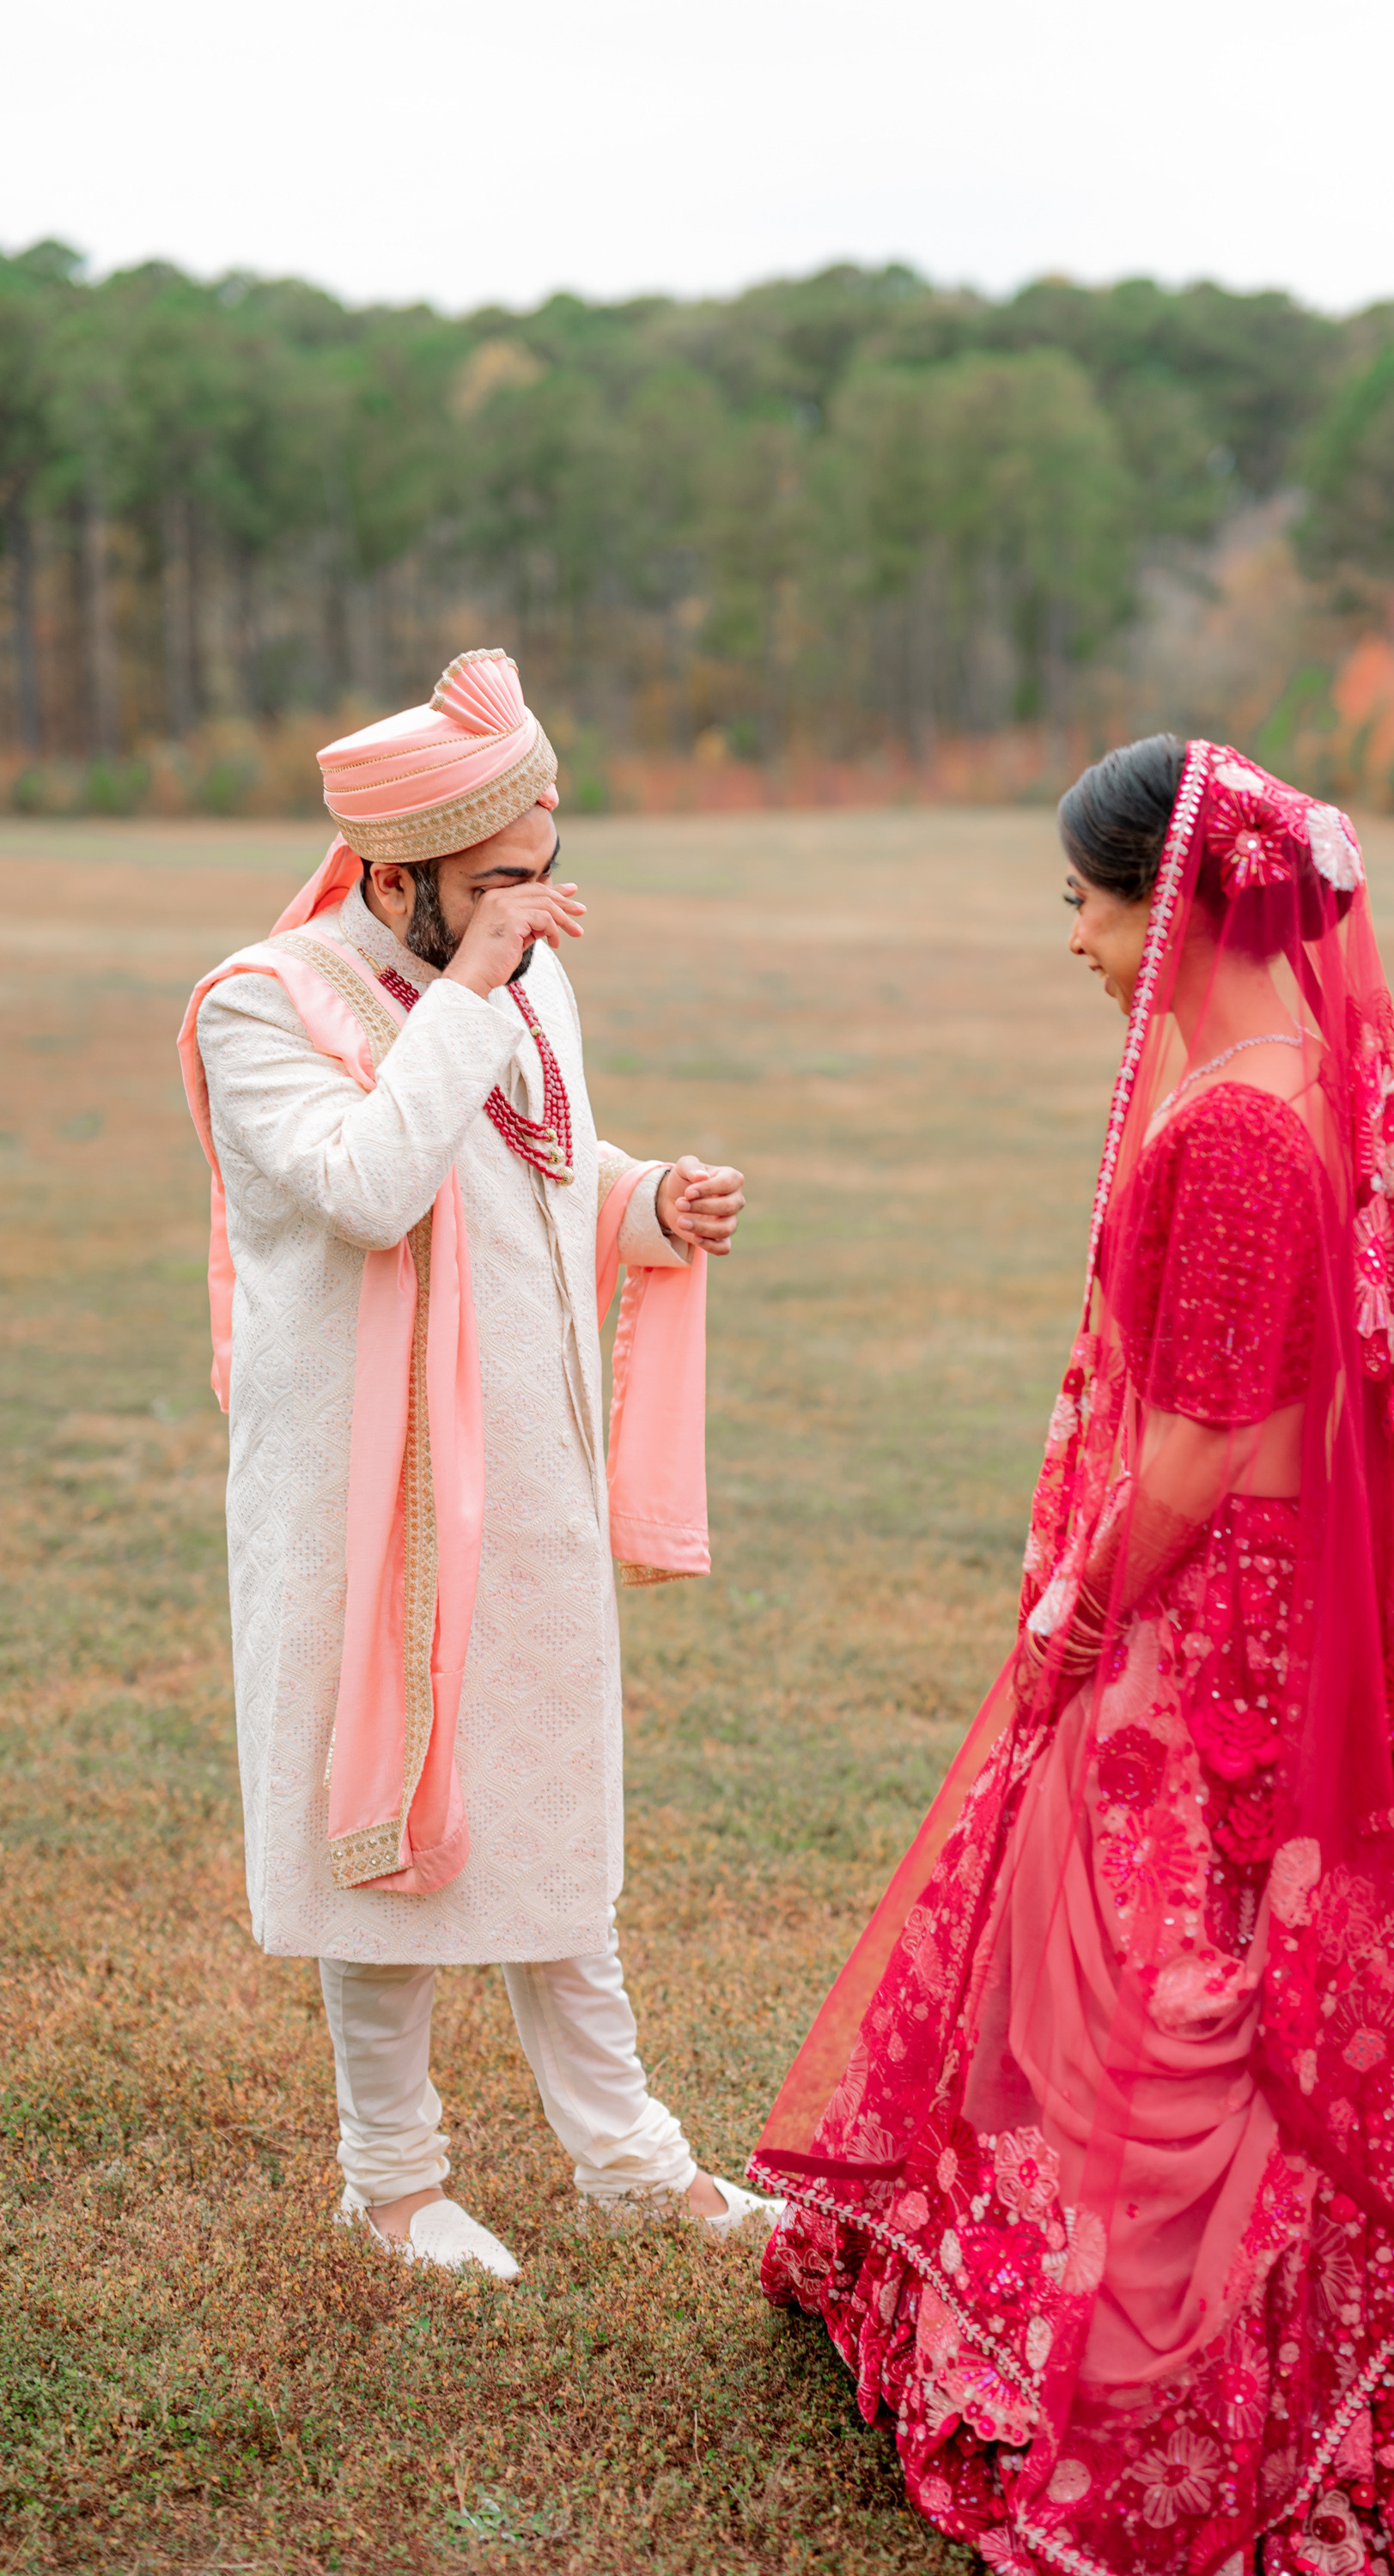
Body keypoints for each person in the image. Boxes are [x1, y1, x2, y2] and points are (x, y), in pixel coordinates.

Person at [750, 740, 1394, 2574]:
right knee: (1198, 1978)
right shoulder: (1287, 1073)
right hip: (1264, 1611)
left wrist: (1076, 1611)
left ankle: (1170, 2378)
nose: (1074, 941)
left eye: (1082, 902)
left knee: (1162, 1982)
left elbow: (1210, 1438)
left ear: (1172, 899)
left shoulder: (1241, 1118)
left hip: (1213, 1630)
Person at [180, 647, 778, 2277]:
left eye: (544, 872)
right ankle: (390, 2182)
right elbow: (374, 1186)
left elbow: (539, 1169)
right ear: (395, 875)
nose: (536, 906)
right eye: (497, 884)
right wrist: (470, 991)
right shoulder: (264, 1004)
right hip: (361, 1514)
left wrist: (649, 1203)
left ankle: (629, 2161)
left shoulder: (516, 974)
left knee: (547, 1817)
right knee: (385, 1821)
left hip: (529, 1481)